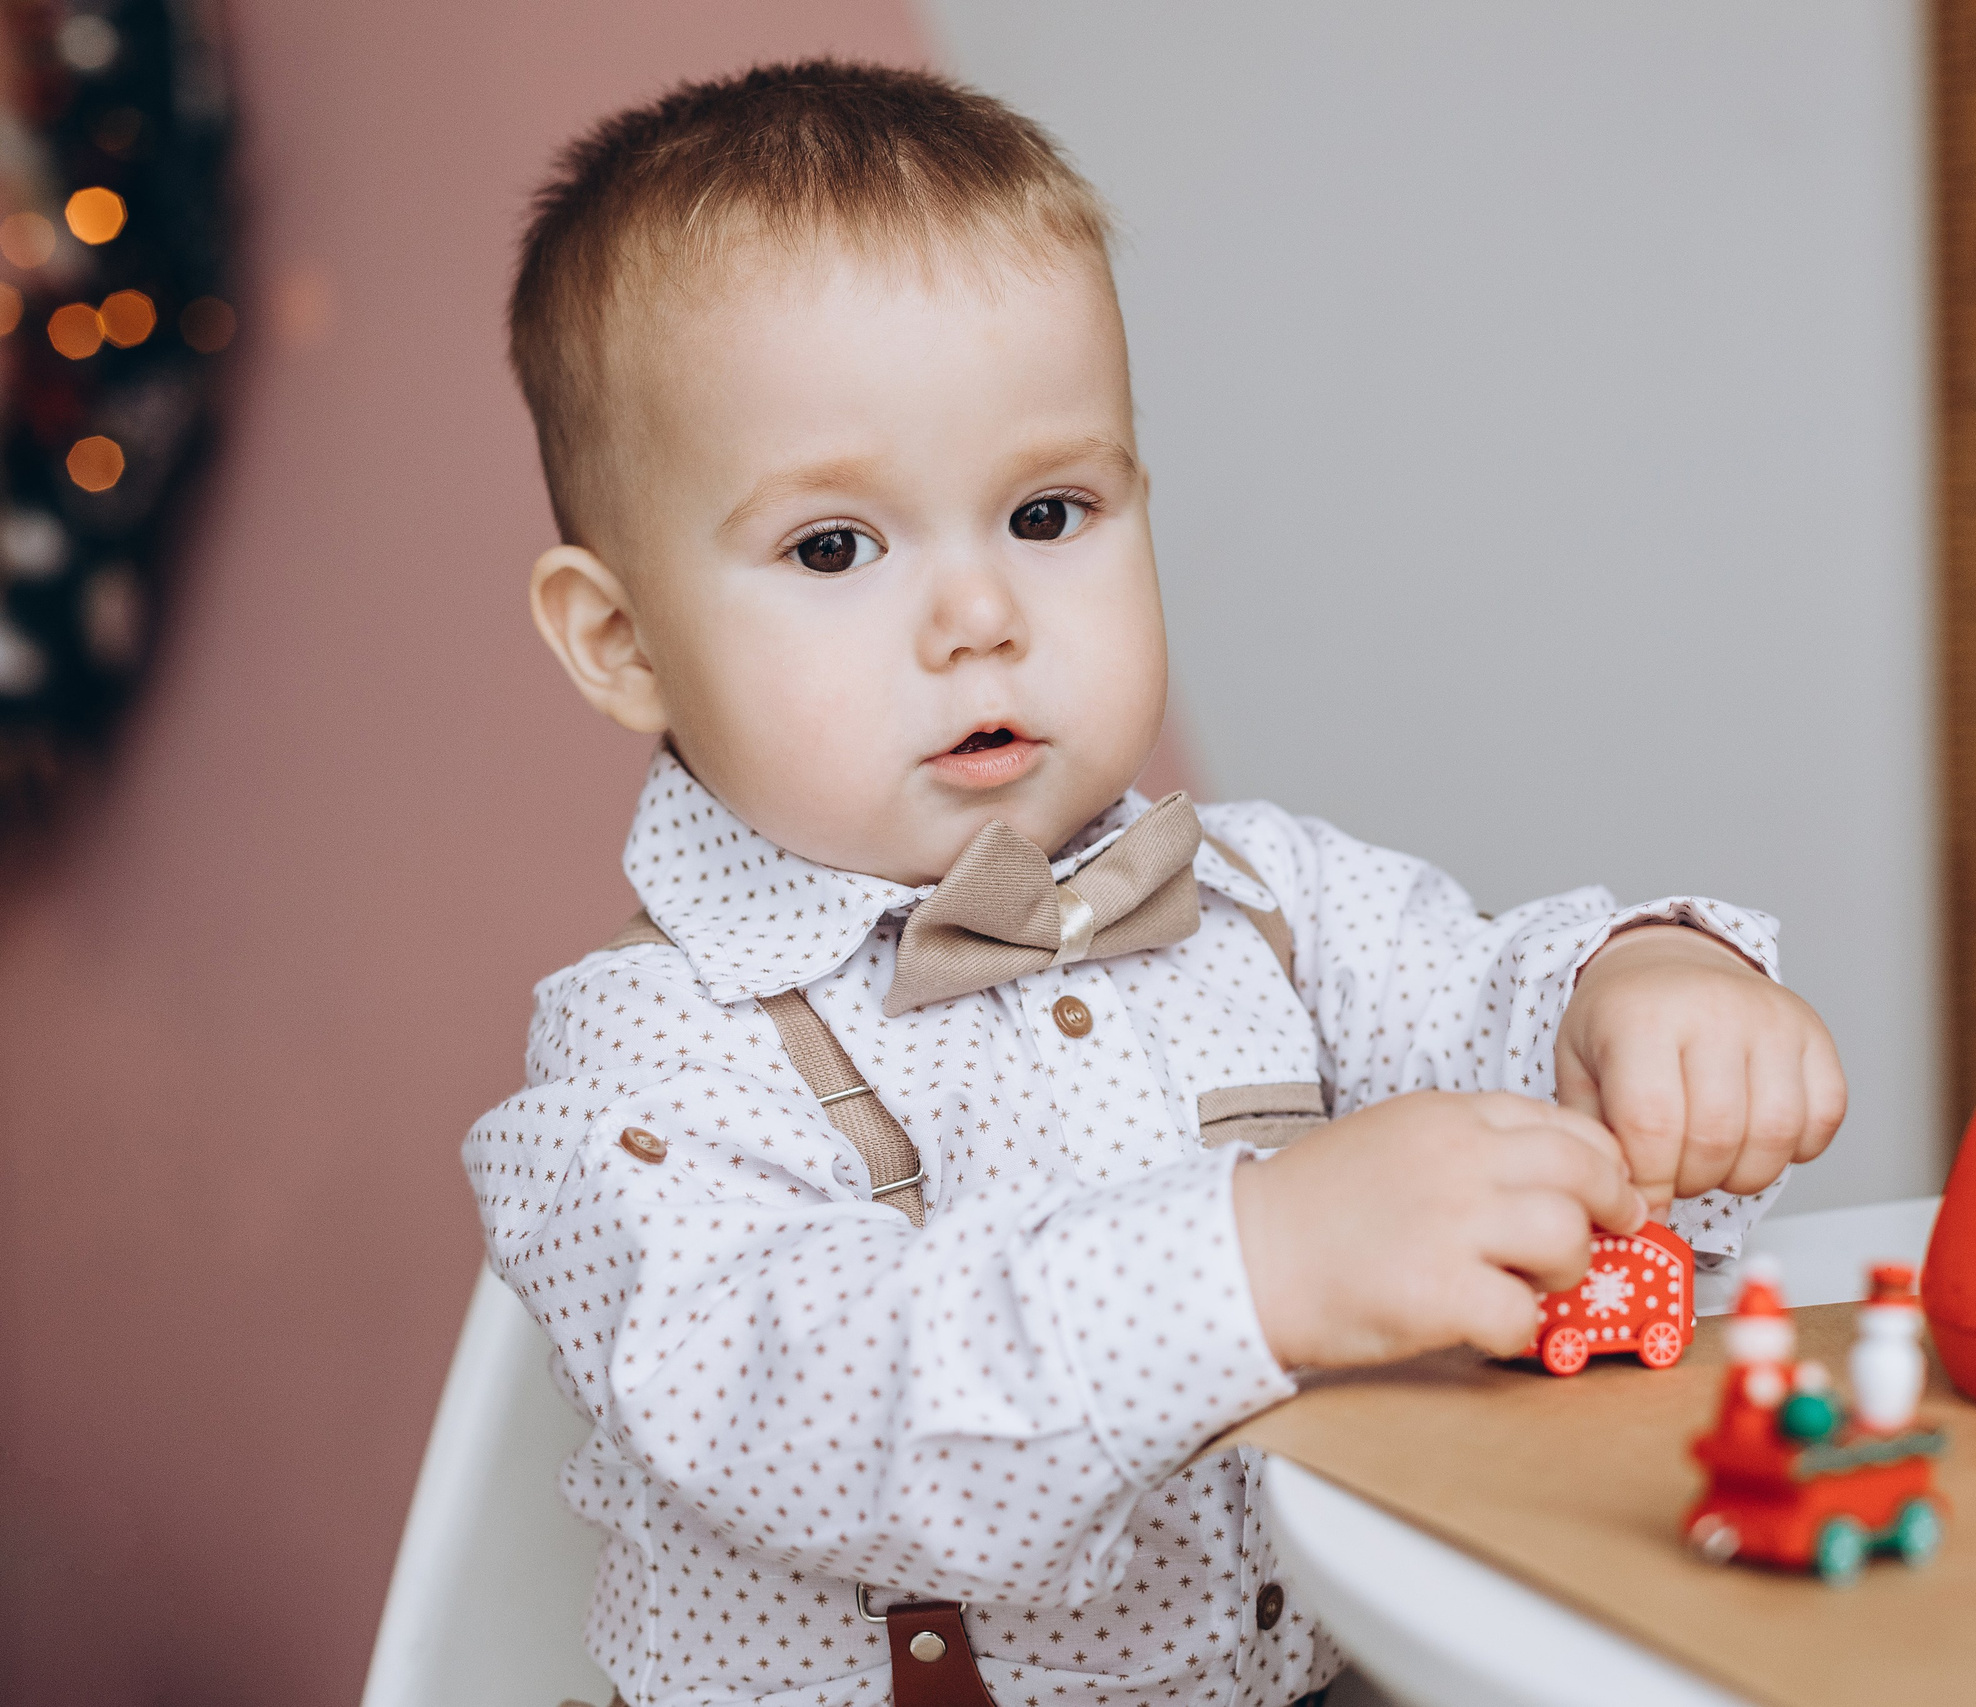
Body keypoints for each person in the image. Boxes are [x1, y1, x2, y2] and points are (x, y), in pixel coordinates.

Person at [466, 60, 1846, 1707]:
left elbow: (1483, 1013)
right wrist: (1256, 1264)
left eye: (1050, 512)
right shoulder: (643, 1061)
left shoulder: (1261, 899)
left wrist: (1641, 997)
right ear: (621, 641)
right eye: (835, 547)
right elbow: (813, 1401)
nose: (978, 614)